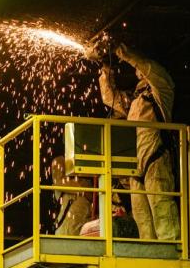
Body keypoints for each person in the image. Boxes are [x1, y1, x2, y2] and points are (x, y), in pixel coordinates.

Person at [85, 38, 179, 242]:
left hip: (156, 158)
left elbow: (149, 68)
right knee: (142, 221)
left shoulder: (162, 88)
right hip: (138, 167)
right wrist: (106, 66)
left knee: (163, 210)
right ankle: (151, 261)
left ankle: (172, 251)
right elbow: (109, 98)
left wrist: (121, 51)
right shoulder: (137, 99)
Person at [50, 155, 93, 236]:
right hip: (67, 230)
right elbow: (59, 182)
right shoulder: (61, 161)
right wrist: (86, 191)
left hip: (85, 228)